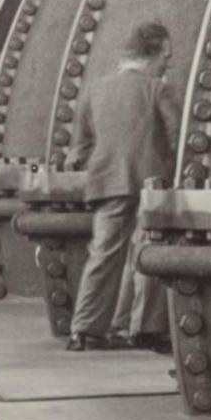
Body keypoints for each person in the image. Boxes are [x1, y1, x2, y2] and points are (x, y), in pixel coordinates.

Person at [67, 19, 178, 354]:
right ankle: (142, 328)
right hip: (151, 184)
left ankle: (85, 330)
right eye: (166, 56)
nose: (167, 63)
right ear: (155, 53)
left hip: (107, 182)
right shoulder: (158, 88)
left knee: (103, 254)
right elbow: (178, 138)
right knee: (150, 254)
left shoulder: (95, 89)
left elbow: (80, 146)